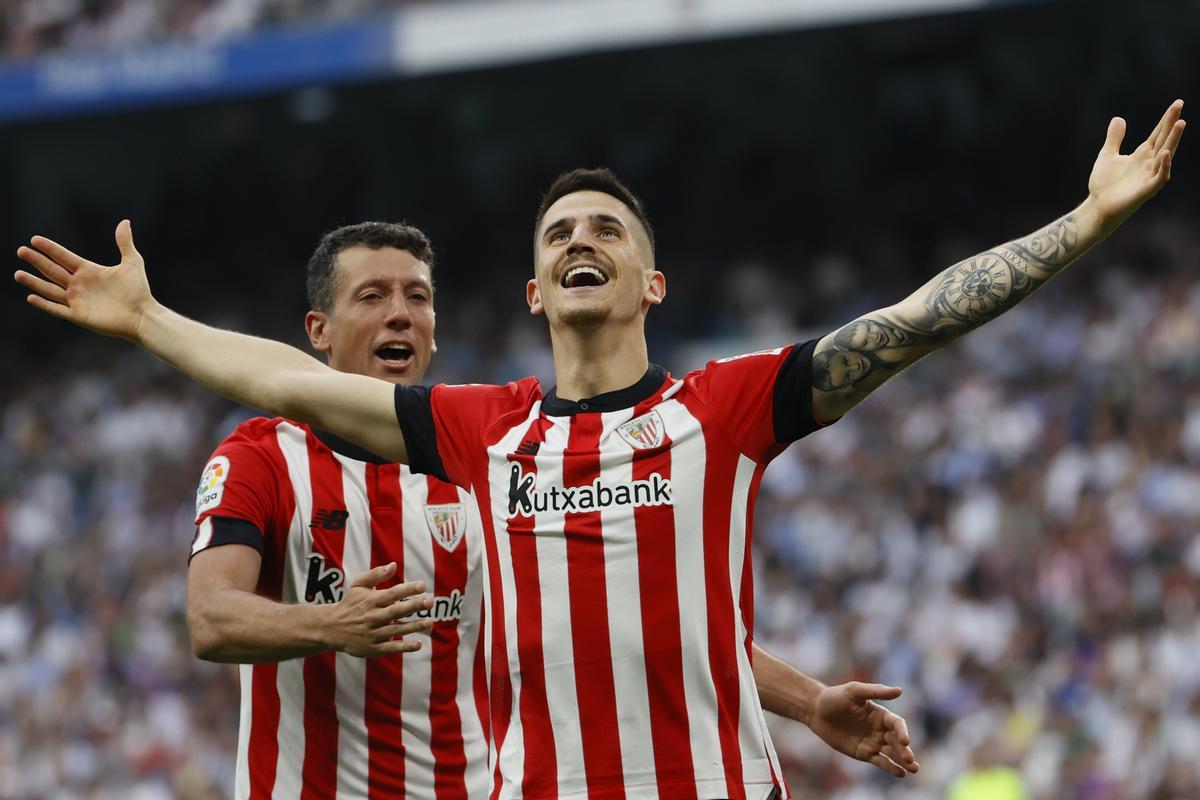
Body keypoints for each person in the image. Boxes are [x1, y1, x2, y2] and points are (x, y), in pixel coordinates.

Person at [21, 95, 1173, 800]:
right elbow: (284, 382)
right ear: (534, 288)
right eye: (560, 232)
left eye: (607, 231)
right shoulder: (481, 430)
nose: (584, 240)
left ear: (649, 279)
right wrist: (149, 319)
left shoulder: (724, 410)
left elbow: (916, 320)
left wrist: (1082, 225)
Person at [184, 222, 492, 799]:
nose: (399, 314)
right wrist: (332, 624)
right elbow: (209, 619)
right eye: (372, 296)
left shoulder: (487, 460)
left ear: (433, 332)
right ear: (318, 331)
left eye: (417, 297)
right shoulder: (262, 456)